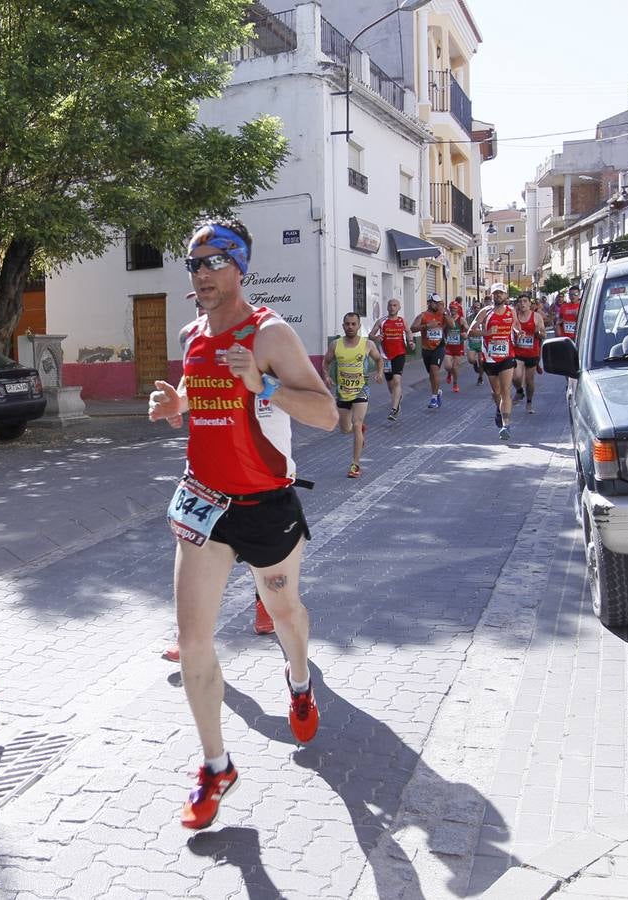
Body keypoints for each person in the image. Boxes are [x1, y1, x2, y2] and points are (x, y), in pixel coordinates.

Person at [149, 218, 338, 829]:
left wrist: (264, 384)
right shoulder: (190, 333)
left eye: (211, 262)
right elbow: (195, 393)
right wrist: (174, 405)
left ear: (238, 267)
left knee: (284, 614)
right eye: (192, 263)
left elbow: (327, 415)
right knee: (195, 637)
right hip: (204, 502)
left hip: (266, 506)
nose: (199, 273)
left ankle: (300, 679)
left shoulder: (270, 332)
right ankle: (215, 764)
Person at [323, 311, 384, 478]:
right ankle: (359, 431)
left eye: (353, 324)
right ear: (343, 326)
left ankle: (355, 465)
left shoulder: (367, 344)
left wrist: (379, 373)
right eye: (347, 324)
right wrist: (327, 376)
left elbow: (379, 359)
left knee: (356, 424)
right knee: (345, 429)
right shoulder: (335, 345)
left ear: (358, 326)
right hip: (342, 393)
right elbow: (326, 362)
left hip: (361, 391)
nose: (350, 327)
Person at [469, 281, 517, 441]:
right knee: (496, 391)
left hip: (507, 356)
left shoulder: (511, 311)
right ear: (492, 295)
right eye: (495, 293)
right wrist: (487, 332)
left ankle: (506, 425)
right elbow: (471, 332)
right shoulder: (485, 311)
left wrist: (519, 332)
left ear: (506, 296)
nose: (498, 295)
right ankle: (498, 408)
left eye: (501, 293)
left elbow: (514, 326)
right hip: (489, 358)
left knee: (505, 391)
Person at [368, 297, 413, 420]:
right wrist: (376, 338)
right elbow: (370, 335)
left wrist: (410, 341)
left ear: (399, 308)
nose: (392, 307)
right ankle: (397, 399)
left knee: (397, 381)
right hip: (385, 356)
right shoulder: (381, 321)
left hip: (399, 353)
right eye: (390, 305)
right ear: (387, 307)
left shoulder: (402, 321)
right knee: (390, 384)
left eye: (394, 305)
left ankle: (394, 409)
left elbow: (408, 332)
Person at [411, 293, 451, 409]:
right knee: (431, 375)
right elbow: (413, 328)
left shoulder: (442, 315)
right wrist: (427, 326)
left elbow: (452, 325)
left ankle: (433, 397)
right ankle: (437, 392)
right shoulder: (423, 316)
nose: (437, 305)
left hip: (439, 346)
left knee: (435, 370)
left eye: (439, 303)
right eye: (435, 303)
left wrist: (444, 313)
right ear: (429, 303)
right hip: (426, 348)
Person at [512, 294, 545, 414]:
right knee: (515, 376)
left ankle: (529, 402)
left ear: (530, 304)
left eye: (525, 301)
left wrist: (538, 333)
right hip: (518, 352)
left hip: (532, 353)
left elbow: (543, 335)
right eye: (520, 301)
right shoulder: (514, 316)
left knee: (529, 381)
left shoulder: (536, 317)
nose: (522, 304)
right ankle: (519, 391)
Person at [442, 297, 468, 392]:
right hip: (449, 346)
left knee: (455, 367)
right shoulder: (447, 319)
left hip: (458, 346)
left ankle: (455, 383)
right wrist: (443, 338)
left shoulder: (461, 319)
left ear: (458, 309)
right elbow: (442, 329)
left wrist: (465, 334)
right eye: (451, 308)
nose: (453, 310)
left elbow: (467, 330)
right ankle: (449, 373)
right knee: (447, 366)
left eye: (454, 308)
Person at [466, 294, 488, 385]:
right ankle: (475, 365)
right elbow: (466, 328)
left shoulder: (485, 317)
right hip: (472, 342)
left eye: (478, 307)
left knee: (481, 361)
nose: (476, 309)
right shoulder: (469, 318)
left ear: (481, 308)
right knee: (471, 359)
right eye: (475, 307)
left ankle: (480, 377)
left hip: (481, 342)